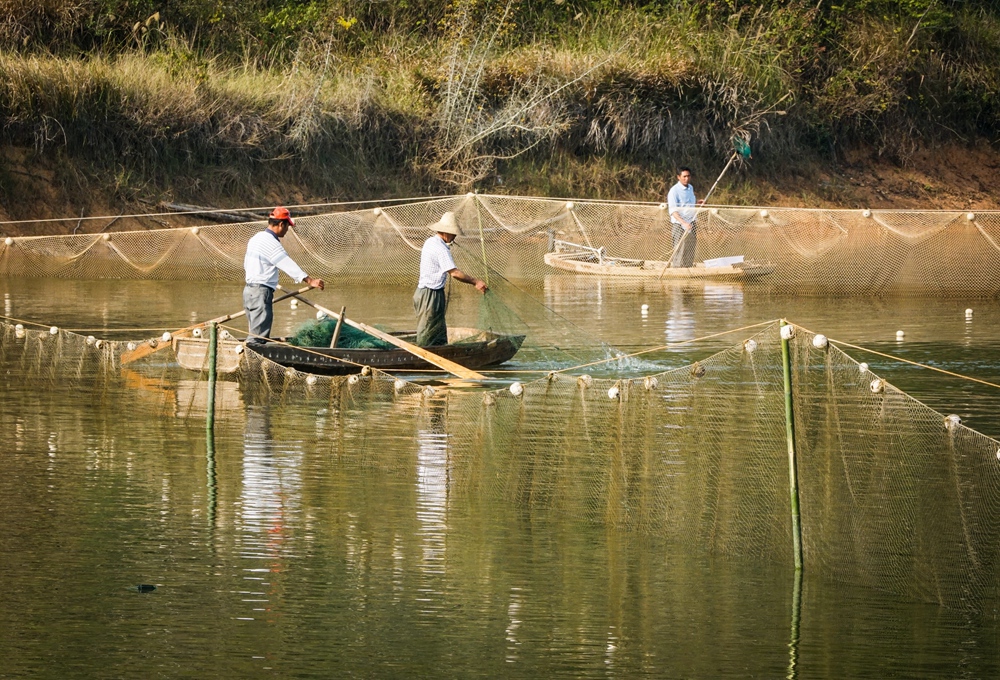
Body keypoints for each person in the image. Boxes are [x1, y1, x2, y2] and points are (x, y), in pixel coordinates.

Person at [243, 206, 324, 345]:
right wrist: (310, 281)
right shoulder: (271, 242)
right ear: (281, 224)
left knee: (254, 332)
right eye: (287, 226)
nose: (287, 230)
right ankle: (252, 360)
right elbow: (287, 264)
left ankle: (251, 354)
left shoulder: (256, 238)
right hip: (261, 292)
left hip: (249, 291)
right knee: (257, 339)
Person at [414, 211, 487, 347]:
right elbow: (454, 273)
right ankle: (423, 357)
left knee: (437, 331)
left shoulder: (430, 241)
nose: (454, 237)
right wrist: (476, 282)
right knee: (426, 333)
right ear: (445, 232)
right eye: (453, 234)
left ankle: (441, 352)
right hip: (430, 295)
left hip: (423, 293)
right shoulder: (440, 248)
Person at [666, 167, 704, 268]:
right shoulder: (674, 191)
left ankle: (688, 267)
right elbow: (673, 211)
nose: (686, 179)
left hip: (691, 223)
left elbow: (687, 204)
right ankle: (678, 269)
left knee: (690, 247)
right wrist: (683, 223)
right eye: (684, 176)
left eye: (688, 176)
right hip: (680, 224)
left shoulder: (690, 188)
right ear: (678, 177)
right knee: (680, 248)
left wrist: (697, 203)